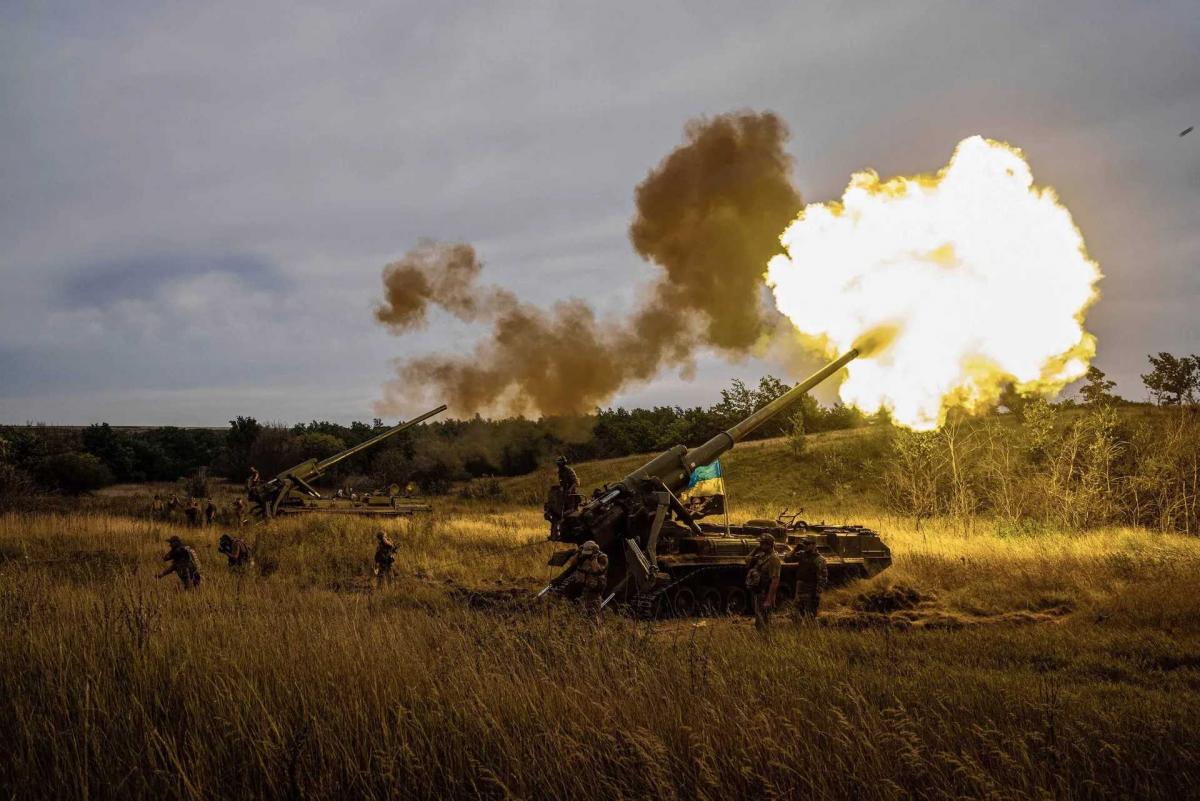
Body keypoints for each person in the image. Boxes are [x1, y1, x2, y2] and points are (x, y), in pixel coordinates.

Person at [745, 533, 782, 631]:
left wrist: (769, 599)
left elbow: (775, 580)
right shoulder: (762, 555)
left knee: (764, 622)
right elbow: (747, 560)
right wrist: (755, 549)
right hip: (759, 593)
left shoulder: (774, 559)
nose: (760, 546)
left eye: (762, 544)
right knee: (759, 621)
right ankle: (761, 640)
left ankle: (766, 641)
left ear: (769, 545)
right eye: (760, 544)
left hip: (765, 593)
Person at [787, 538, 828, 619]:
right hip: (800, 588)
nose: (805, 546)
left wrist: (818, 593)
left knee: (810, 615)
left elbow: (823, 577)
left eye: (808, 544)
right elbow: (787, 558)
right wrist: (795, 549)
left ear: (814, 545)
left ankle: (810, 630)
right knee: (796, 614)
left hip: (811, 588)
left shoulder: (820, 559)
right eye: (805, 544)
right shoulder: (802, 554)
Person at [571, 540, 609, 619]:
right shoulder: (583, 555)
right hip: (585, 587)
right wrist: (578, 553)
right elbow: (573, 563)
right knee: (582, 610)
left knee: (594, 612)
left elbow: (596, 570)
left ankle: (596, 626)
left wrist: (593, 558)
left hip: (595, 589)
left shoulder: (602, 558)